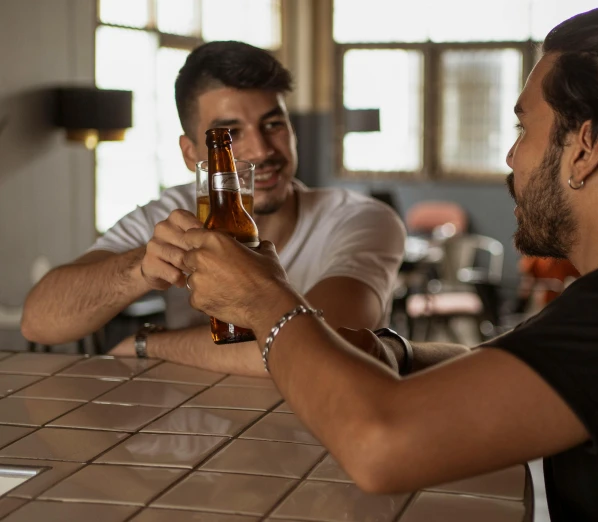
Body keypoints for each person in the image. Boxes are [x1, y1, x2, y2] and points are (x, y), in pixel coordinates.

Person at [168, 4, 598, 521]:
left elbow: (380, 448)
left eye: (524, 130)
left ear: (586, 148)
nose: (511, 160)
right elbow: (508, 362)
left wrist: (265, 299)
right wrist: (396, 351)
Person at [20, 41, 406, 376]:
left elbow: (330, 345)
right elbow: (38, 322)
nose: (261, 151)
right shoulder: (170, 215)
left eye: (273, 124)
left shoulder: (360, 218)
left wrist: (151, 345)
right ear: (191, 154)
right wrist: (141, 266)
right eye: (231, 134)